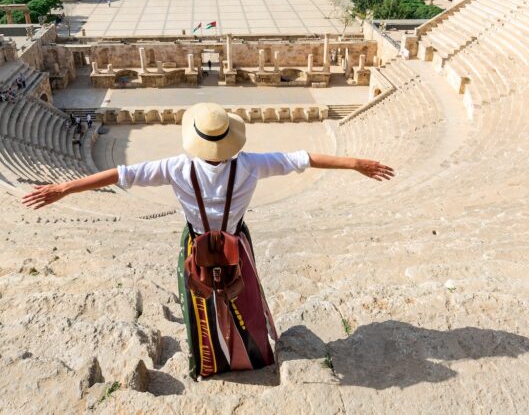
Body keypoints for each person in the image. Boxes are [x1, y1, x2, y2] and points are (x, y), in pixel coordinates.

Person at [22, 102, 394, 380]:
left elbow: (121, 174)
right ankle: (253, 357)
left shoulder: (175, 167)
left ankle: (207, 362)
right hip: (235, 245)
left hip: (196, 245)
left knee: (201, 303)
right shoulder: (251, 164)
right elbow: (305, 158)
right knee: (241, 297)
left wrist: (64, 188)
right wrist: (355, 163)